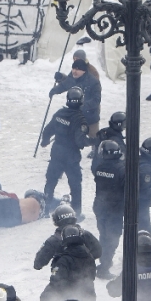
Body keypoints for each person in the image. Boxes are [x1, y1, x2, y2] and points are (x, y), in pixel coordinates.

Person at [40, 87, 89, 216]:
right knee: (75, 184)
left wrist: (45, 140)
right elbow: (80, 141)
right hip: (71, 156)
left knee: (51, 181)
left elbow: (48, 129)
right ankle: (77, 212)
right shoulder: (80, 119)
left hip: (56, 153)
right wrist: (93, 141)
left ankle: (45, 208)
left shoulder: (60, 113)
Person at [40, 225, 97, 301]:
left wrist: (44, 298)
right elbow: (92, 276)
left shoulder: (62, 260)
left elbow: (55, 282)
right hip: (89, 298)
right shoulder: (89, 256)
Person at [92, 140, 124, 278]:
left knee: (103, 235)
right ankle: (104, 267)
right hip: (114, 209)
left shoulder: (99, 167)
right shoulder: (121, 169)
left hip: (100, 207)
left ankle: (104, 261)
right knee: (113, 238)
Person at [50, 57, 102, 138]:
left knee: (94, 138)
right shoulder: (72, 77)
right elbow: (64, 85)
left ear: (84, 71)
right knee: (73, 138)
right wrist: (54, 90)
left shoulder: (93, 82)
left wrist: (83, 106)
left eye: (77, 69)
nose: (74, 71)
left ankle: (95, 150)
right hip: (75, 117)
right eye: (73, 68)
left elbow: (96, 100)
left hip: (90, 117)